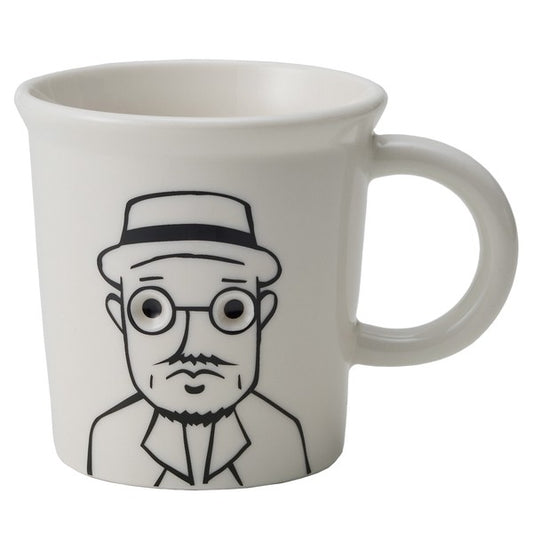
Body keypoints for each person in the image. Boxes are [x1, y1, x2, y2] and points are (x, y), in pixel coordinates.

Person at [87, 191, 310, 488]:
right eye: (152, 308)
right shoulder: (109, 437)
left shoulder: (282, 436)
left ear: (263, 313)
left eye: (232, 310)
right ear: (119, 317)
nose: (194, 345)